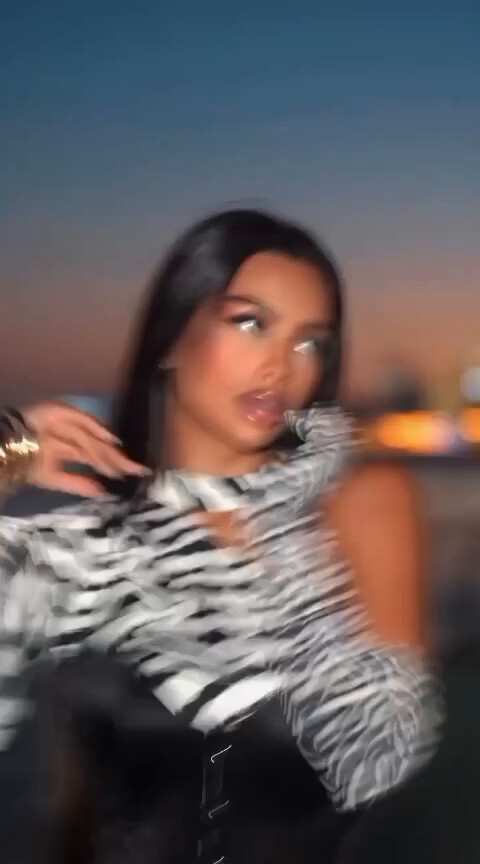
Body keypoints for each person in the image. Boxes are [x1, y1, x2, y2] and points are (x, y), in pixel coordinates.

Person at [0, 209, 441, 863]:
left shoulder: (357, 504)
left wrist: (285, 555)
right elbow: (73, 800)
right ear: (172, 334)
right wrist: (8, 451)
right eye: (251, 323)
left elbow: (381, 758)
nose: (281, 366)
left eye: (310, 343)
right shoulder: (84, 545)